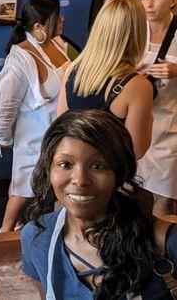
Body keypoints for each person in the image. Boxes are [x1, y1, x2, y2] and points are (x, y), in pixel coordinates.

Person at [21, 109, 177, 299]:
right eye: (65, 164)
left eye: (97, 165)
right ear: (48, 169)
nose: (80, 180)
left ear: (118, 173)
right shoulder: (37, 237)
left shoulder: (166, 243)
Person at [0, 0, 70, 232]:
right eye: (57, 17)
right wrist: (4, 139)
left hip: (60, 136)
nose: (63, 19)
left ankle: (53, 232)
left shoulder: (58, 43)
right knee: (21, 192)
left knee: (57, 189)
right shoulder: (19, 61)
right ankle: (3, 235)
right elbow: (2, 109)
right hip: (32, 141)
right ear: (38, 27)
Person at [57, 0, 154, 160]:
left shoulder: (73, 70)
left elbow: (61, 125)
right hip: (107, 176)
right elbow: (137, 150)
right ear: (138, 31)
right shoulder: (138, 86)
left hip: (74, 172)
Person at [138, 0, 177, 217]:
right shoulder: (134, 29)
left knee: (164, 196)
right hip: (138, 123)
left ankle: (159, 250)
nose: (149, 4)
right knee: (136, 190)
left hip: (170, 127)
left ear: (172, 1)